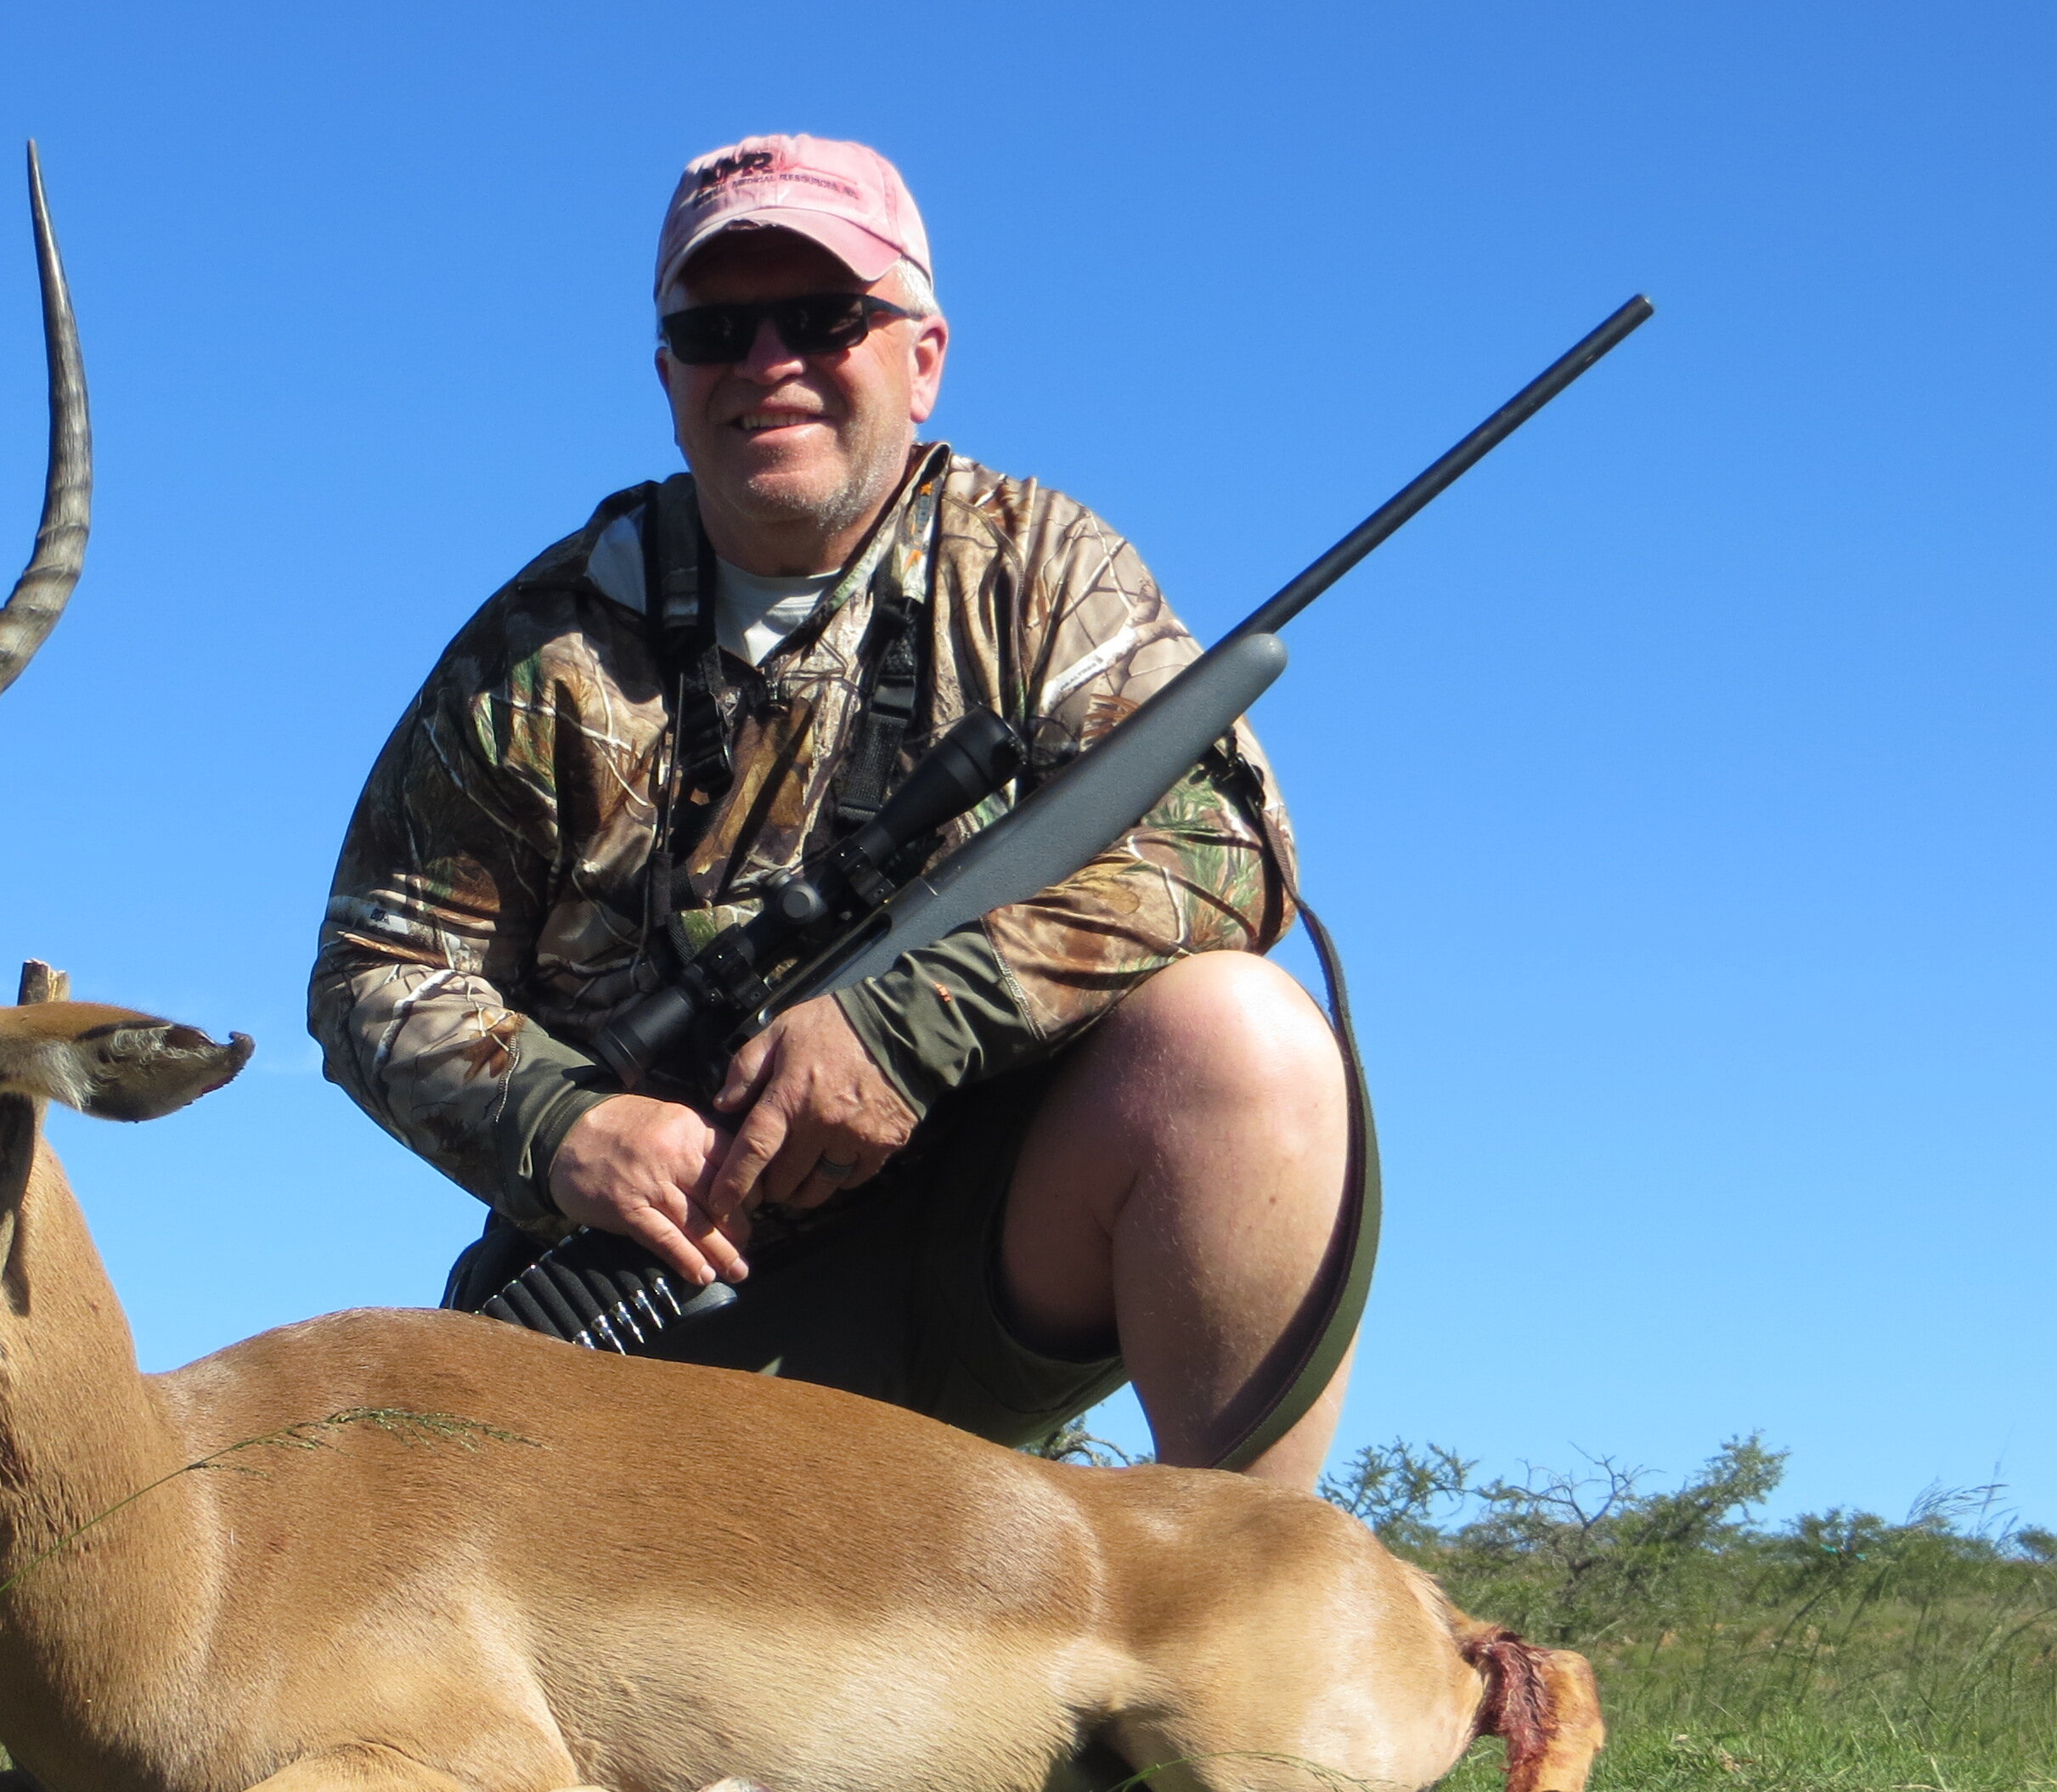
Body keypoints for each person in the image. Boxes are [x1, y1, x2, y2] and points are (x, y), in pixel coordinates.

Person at [308, 134, 1361, 1487]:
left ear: (922, 357)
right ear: (668, 378)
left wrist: (908, 1024)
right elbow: (376, 968)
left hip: (990, 1248)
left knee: (1243, 1037)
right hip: (660, 1276)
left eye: (823, 319)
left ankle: (1246, 1637)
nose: (766, 363)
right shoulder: (542, 649)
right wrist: (569, 1128)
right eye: (713, 330)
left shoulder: (1040, 571)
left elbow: (1227, 847)